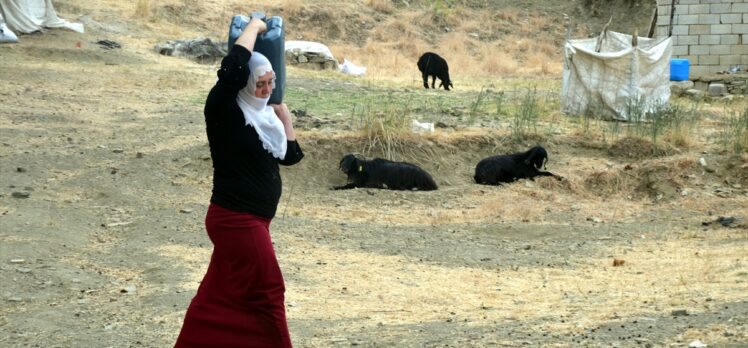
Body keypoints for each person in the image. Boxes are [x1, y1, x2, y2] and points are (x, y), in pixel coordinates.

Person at [175, 17, 303, 348]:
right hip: (236, 220)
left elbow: (290, 156)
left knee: (219, 293)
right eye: (260, 83)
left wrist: (284, 117)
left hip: (252, 220)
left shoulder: (263, 117)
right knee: (269, 290)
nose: (267, 88)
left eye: (271, 81)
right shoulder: (223, 111)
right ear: (244, 83)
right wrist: (256, 28)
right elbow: (232, 68)